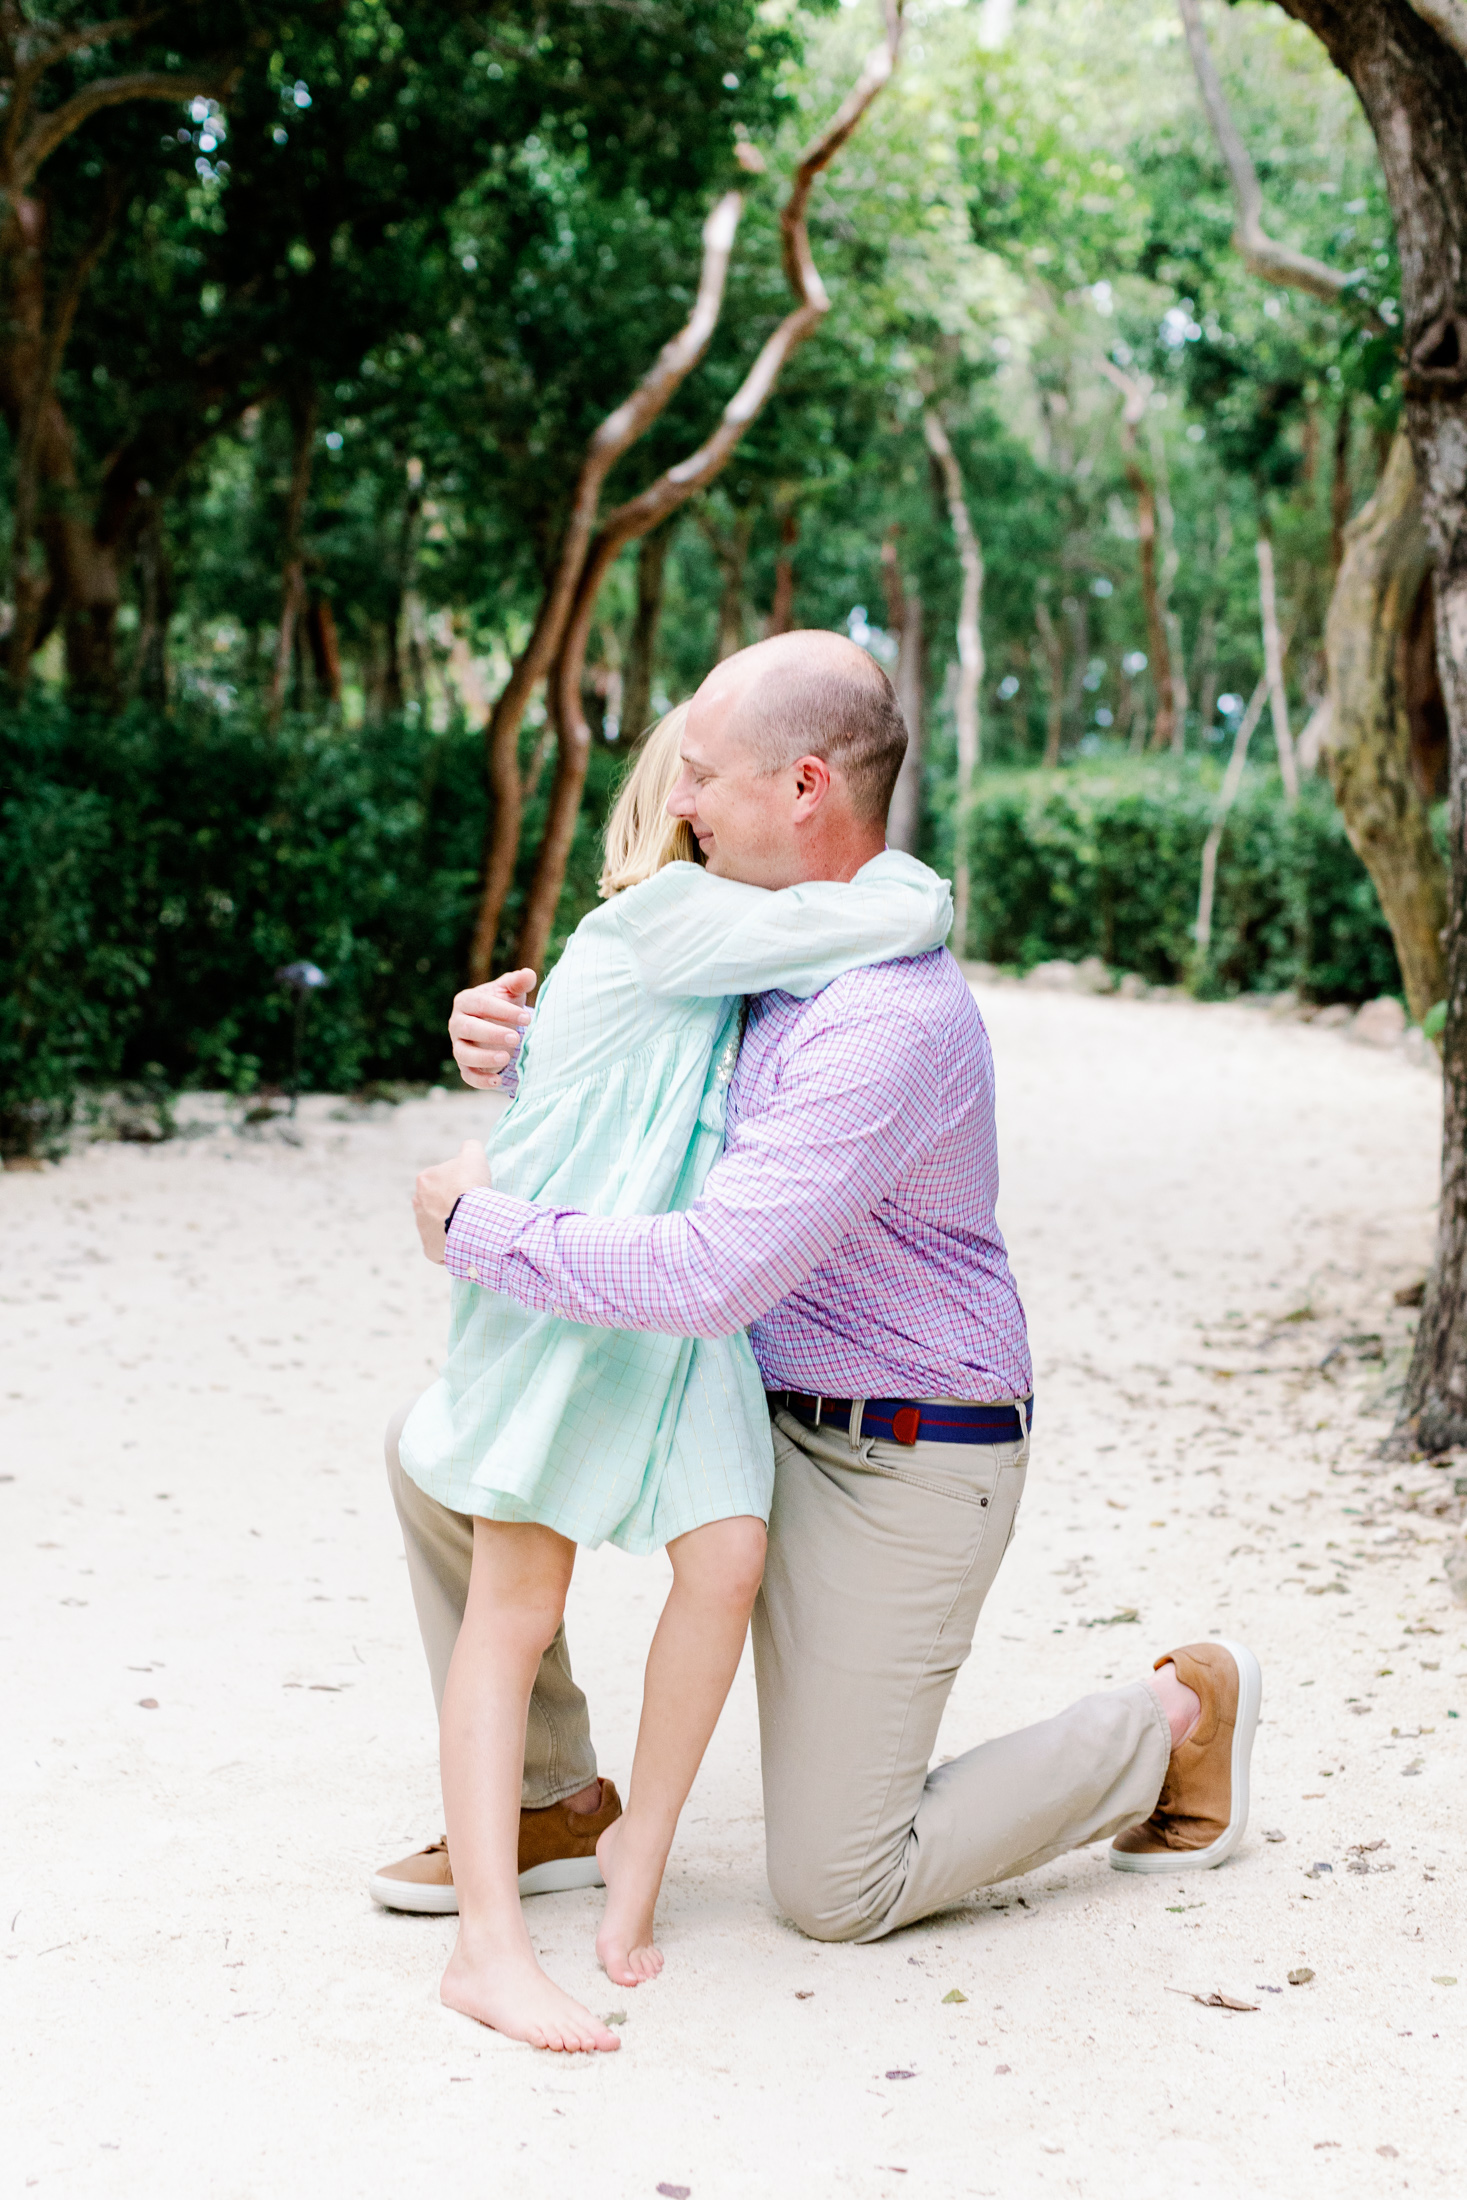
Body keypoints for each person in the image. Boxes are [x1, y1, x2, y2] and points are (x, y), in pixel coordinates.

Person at [381, 629, 1261, 1966]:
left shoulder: (887, 1022)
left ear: (802, 788)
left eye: (703, 775)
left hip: (897, 1451)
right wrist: (524, 1048)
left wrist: (480, 1227)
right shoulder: (754, 940)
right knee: (439, 1458)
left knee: (839, 1886)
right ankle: (551, 1798)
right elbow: (649, 1109)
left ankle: (1166, 1727)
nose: (678, 801)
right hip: (749, 1391)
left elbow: (708, 1268)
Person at [385, 697, 952, 2054]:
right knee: (517, 1599)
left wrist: (514, 1040)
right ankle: (488, 1949)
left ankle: (632, 1854)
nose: (698, 806)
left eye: (712, 784)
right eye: (685, 789)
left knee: (729, 1554)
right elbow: (886, 916)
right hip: (567, 1291)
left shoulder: (693, 952)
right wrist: (921, 879)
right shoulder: (669, 923)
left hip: (672, 1309)